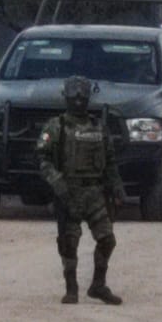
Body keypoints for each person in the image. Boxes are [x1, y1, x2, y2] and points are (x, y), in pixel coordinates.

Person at [38, 76, 125, 305]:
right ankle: (71, 287)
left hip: (95, 192)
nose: (78, 99)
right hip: (69, 192)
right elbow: (43, 160)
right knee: (69, 242)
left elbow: (110, 161)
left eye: (82, 95)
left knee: (107, 239)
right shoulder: (56, 127)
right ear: (65, 96)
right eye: (74, 95)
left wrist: (116, 187)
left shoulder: (99, 127)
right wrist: (58, 185)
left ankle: (98, 285)